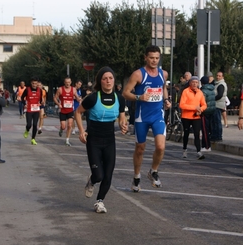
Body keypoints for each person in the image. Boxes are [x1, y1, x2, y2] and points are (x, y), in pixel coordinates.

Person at [75, 66, 127, 213]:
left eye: (110, 78)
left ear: (114, 80)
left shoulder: (120, 99)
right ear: (100, 81)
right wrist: (81, 131)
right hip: (94, 140)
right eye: (105, 78)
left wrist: (123, 126)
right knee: (99, 175)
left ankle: (100, 201)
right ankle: (91, 181)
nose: (108, 81)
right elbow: (78, 112)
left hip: (110, 140)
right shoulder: (93, 98)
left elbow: (122, 119)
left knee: (108, 174)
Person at [122, 45, 170, 192]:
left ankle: (153, 171)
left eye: (157, 58)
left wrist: (167, 100)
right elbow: (125, 93)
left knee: (161, 146)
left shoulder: (164, 74)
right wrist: (139, 97)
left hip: (157, 115)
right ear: (145, 58)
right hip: (142, 117)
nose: (154, 61)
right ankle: (136, 177)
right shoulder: (138, 74)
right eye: (151, 58)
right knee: (140, 149)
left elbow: (163, 88)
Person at [180, 76, 207, 159]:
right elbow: (182, 105)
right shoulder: (186, 91)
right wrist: (194, 107)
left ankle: (199, 152)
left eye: (196, 82)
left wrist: (200, 110)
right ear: (190, 83)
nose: (195, 84)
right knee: (186, 133)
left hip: (196, 117)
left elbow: (204, 104)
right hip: (186, 116)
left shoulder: (200, 92)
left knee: (197, 134)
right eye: (193, 82)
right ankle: (184, 149)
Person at [53, 77, 81, 146]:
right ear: (64, 82)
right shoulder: (60, 89)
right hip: (62, 110)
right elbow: (55, 98)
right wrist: (58, 104)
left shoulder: (73, 89)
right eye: (66, 82)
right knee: (63, 126)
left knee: (70, 125)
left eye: (69, 82)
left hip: (70, 110)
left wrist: (79, 99)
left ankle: (67, 140)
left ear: (71, 82)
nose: (68, 84)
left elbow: (77, 97)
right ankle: (61, 129)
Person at [22, 77, 42, 145]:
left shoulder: (40, 90)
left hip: (36, 110)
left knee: (35, 124)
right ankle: (27, 130)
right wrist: (25, 104)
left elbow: (41, 99)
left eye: (36, 83)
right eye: (33, 83)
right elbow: (22, 98)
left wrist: (40, 103)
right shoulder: (27, 89)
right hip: (29, 110)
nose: (34, 85)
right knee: (29, 124)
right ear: (31, 83)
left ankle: (33, 139)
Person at [200, 76, 216, 152]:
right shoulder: (212, 89)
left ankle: (206, 146)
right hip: (212, 110)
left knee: (204, 129)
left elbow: (202, 101)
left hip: (205, 111)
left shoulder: (203, 91)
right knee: (209, 128)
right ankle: (207, 145)